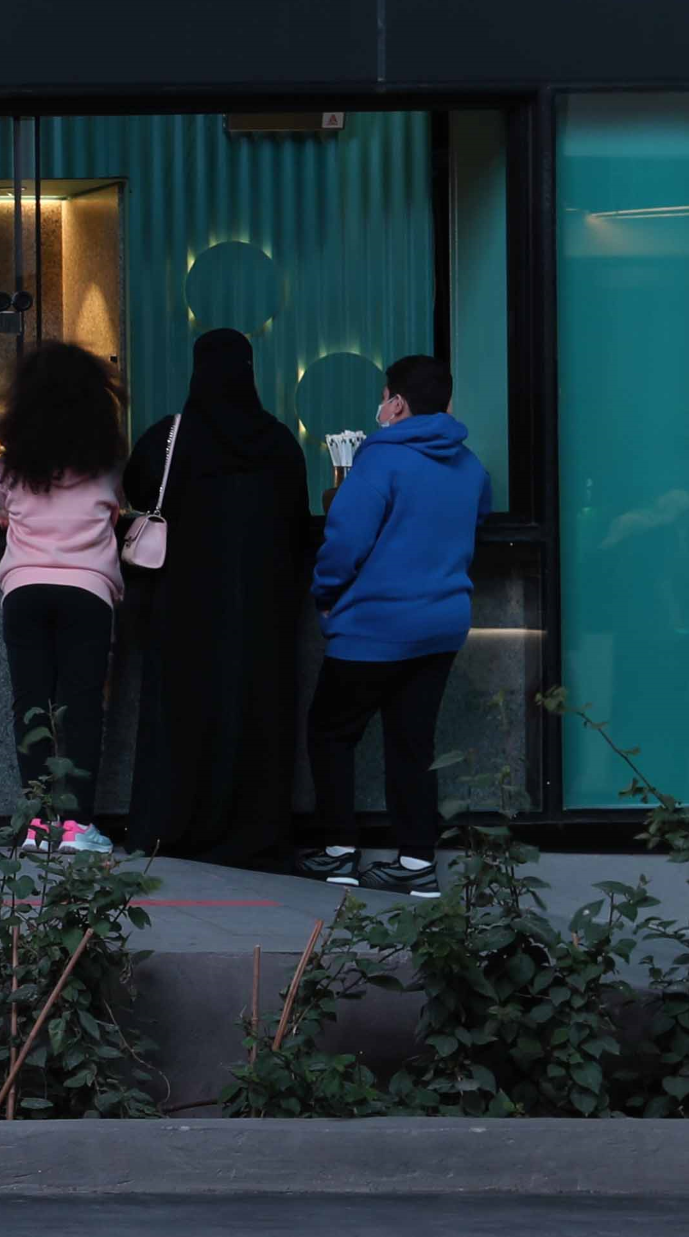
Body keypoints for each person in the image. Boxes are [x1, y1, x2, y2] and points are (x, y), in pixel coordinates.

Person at [121, 328, 317, 868]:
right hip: (261, 616)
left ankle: (172, 825)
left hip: (182, 611)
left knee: (181, 717)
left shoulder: (172, 437)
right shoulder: (278, 443)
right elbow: (298, 532)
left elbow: (138, 494)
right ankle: (251, 833)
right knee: (255, 717)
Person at [302, 354, 489, 897]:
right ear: (446, 404)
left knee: (331, 732)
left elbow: (344, 543)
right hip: (441, 627)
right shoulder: (470, 466)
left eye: (385, 397)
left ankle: (338, 852)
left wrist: (327, 594)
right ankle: (416, 863)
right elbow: (475, 521)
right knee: (414, 743)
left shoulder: (377, 461)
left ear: (397, 403)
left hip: (374, 626)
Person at [0, 342, 127, 850]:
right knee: (82, 706)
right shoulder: (107, 461)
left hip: (23, 591)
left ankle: (38, 823)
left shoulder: (8, 466)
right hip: (87, 592)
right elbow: (112, 506)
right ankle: (77, 826)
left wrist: (6, 517)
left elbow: (14, 503)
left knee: (31, 707)